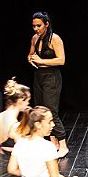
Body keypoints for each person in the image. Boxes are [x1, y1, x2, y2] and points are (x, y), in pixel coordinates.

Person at [27, 11, 68, 158]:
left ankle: (63, 144)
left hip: (52, 77)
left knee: (51, 111)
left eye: (39, 26)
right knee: (41, 109)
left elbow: (61, 60)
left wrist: (41, 61)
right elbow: (31, 54)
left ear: (46, 24)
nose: (36, 29)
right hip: (39, 76)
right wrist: (31, 59)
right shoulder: (34, 38)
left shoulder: (55, 39)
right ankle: (53, 142)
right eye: (34, 26)